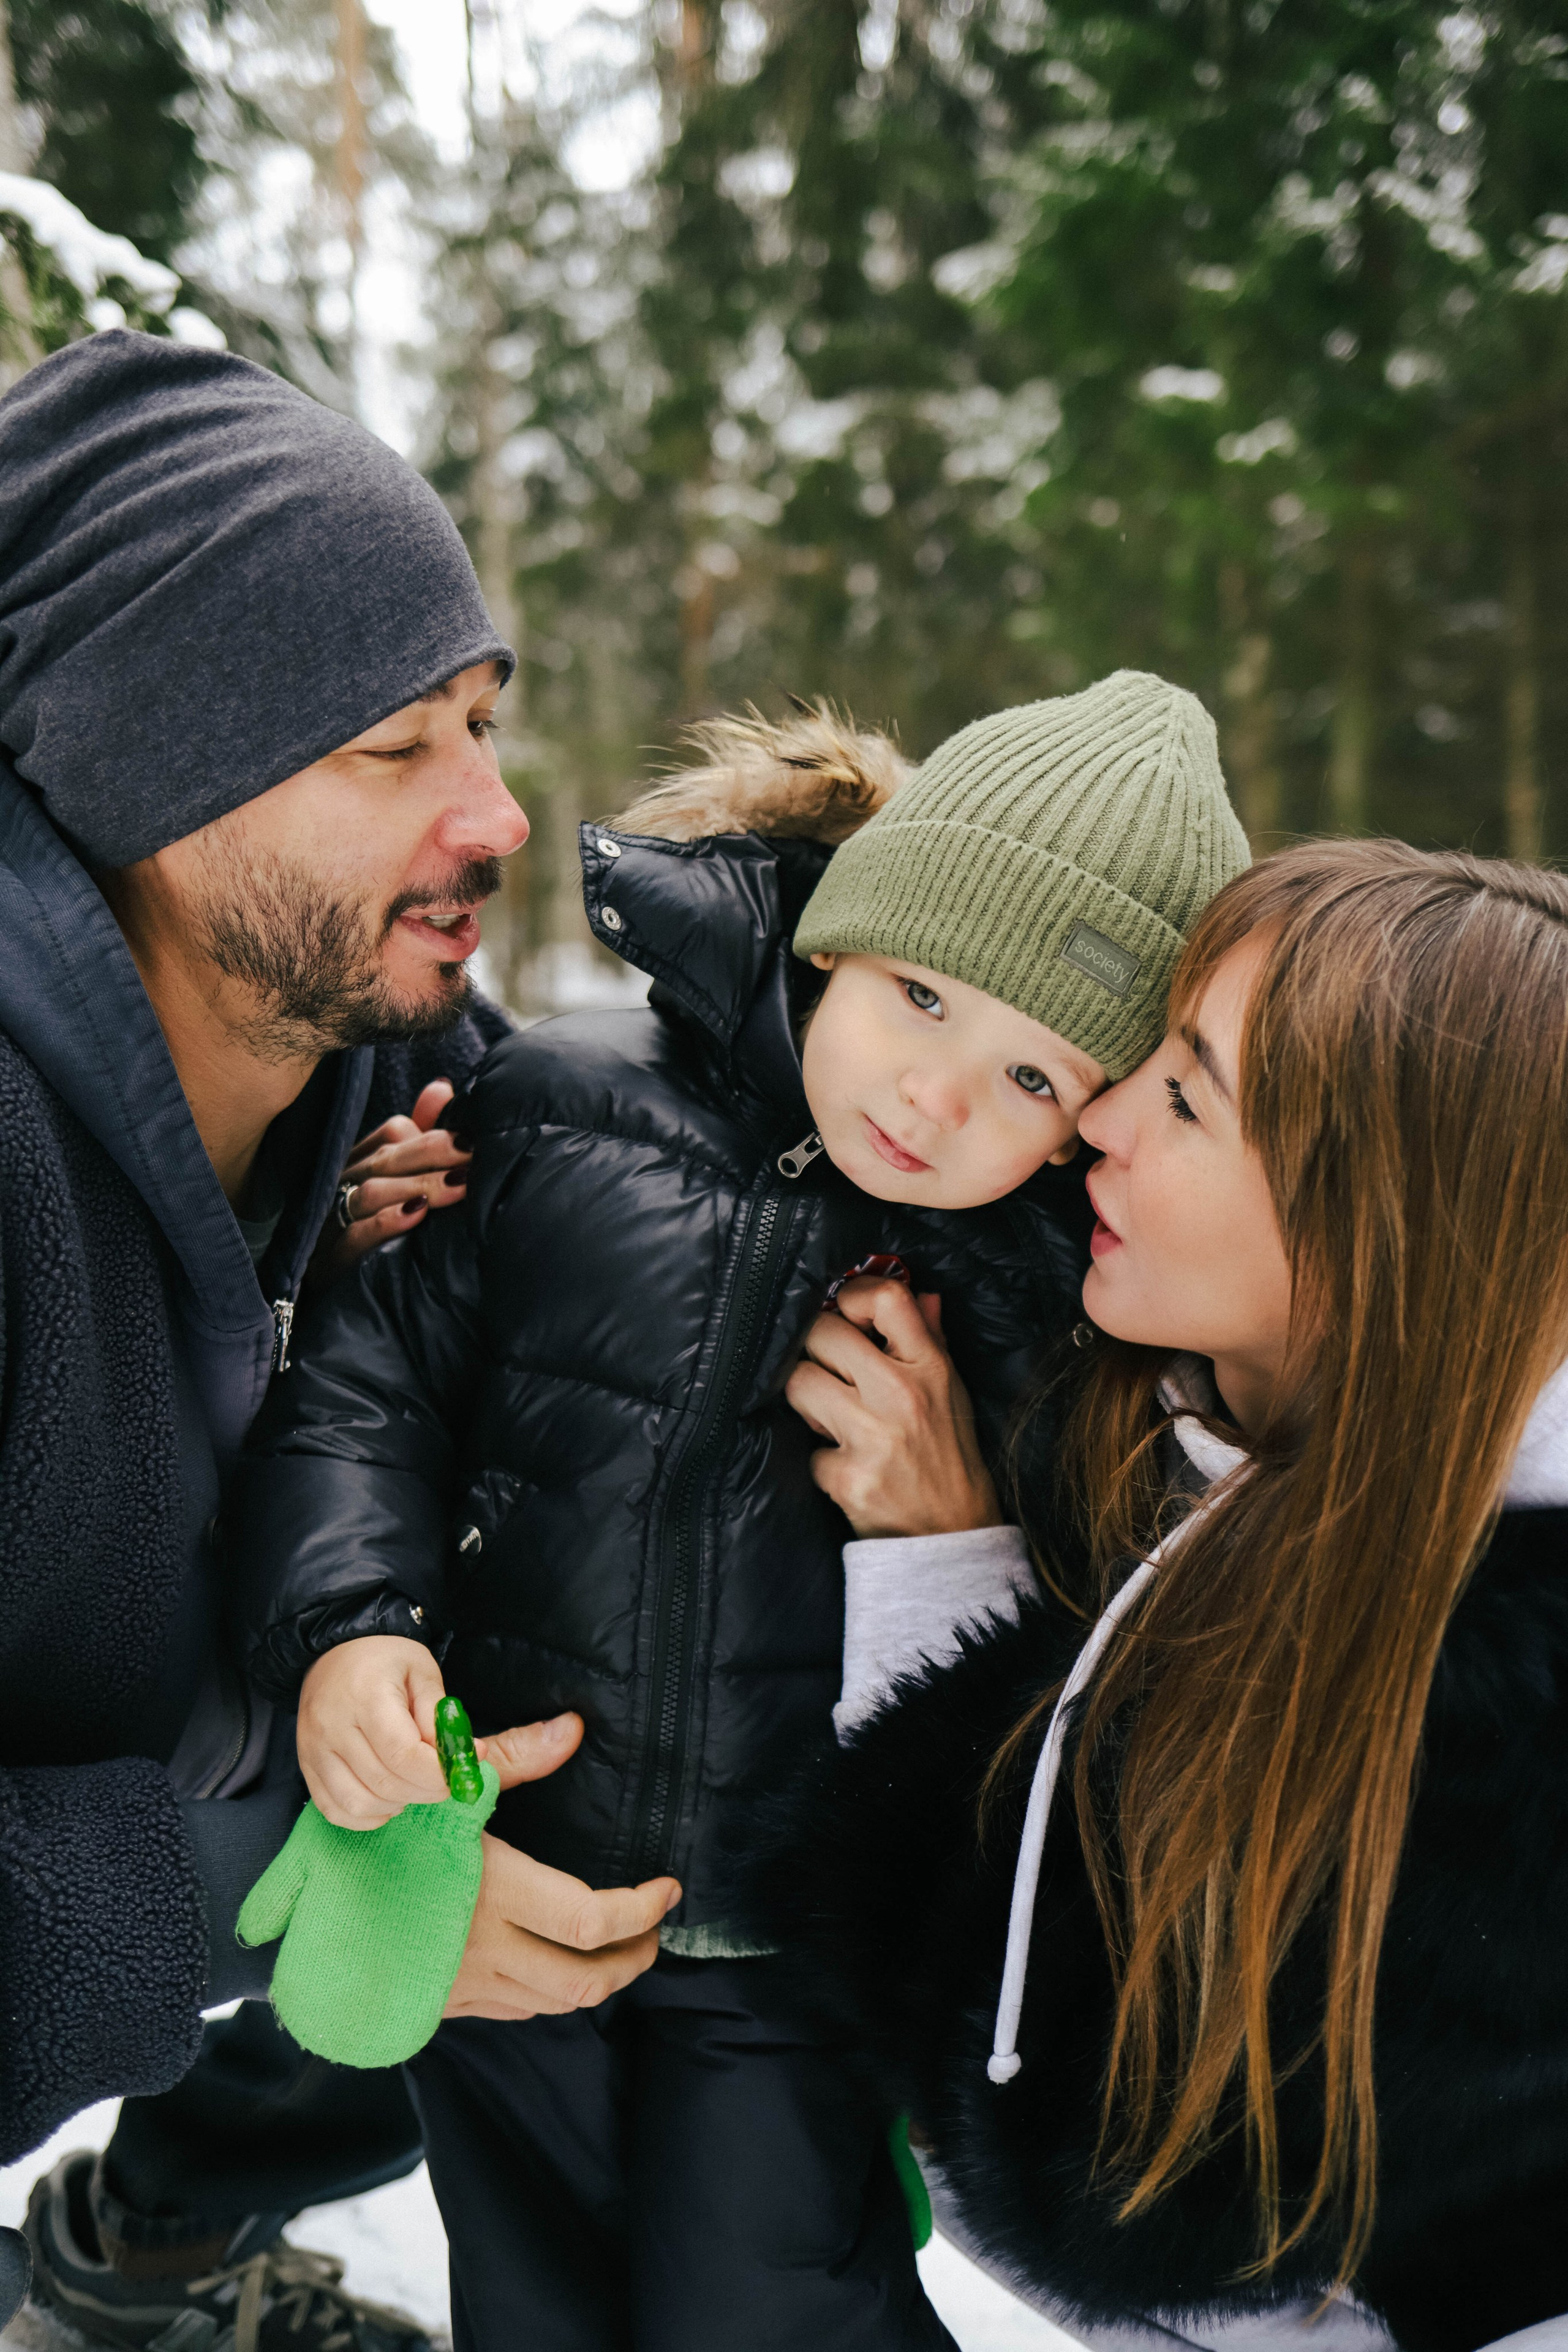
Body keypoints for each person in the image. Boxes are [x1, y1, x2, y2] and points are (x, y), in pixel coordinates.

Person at [228, 671, 1250, 2351]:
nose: (933, 1101)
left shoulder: (1048, 1296)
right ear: (847, 930)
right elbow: (370, 1395)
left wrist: (975, 1516)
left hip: (791, 1936)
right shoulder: (561, 1115)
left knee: (768, 2304)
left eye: (1031, 1081)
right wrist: (351, 1631)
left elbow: (1106, 1609)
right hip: (518, 1862)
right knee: (536, 2293)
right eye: (922, 995)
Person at [0, 329, 670, 2352]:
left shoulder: (408, 1082)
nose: (494, 813)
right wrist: (303, 1886)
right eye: (396, 750)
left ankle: (151, 2246)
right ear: (151, 770)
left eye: (481, 722)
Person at [773, 839, 1568, 2352]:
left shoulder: (1496, 1717)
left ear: (1376, 1225)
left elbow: (1085, 2188)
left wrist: (945, 1585)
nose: (1099, 1120)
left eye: (1186, 1094)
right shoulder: (1233, 1439)